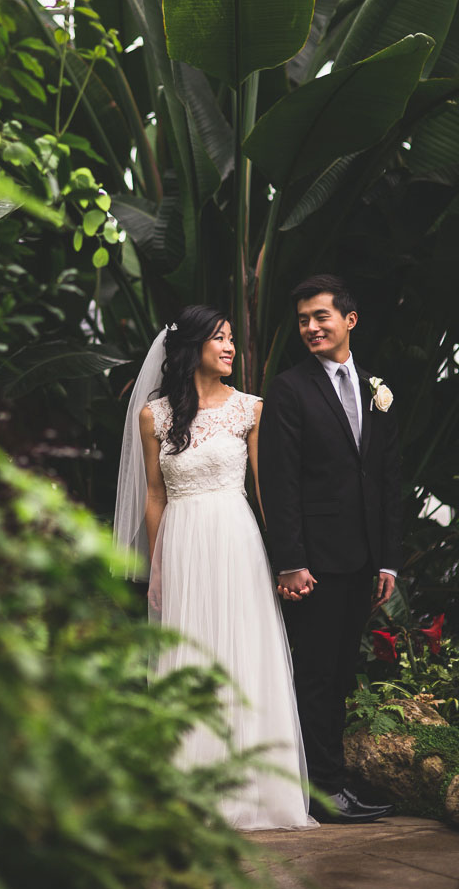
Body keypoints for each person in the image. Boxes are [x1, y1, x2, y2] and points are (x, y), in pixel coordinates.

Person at [114, 305, 313, 831]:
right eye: (220, 339)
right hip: (181, 540)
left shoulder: (251, 408)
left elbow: (266, 491)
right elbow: (154, 497)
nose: (229, 347)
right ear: (192, 347)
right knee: (190, 654)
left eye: (231, 338)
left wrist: (288, 558)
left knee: (244, 649)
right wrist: (157, 565)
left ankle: (257, 791)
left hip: (236, 537)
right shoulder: (154, 416)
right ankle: (193, 788)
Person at [258, 274, 403, 823]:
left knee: (341, 674)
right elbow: (280, 481)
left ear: (350, 320)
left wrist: (388, 557)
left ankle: (335, 781)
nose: (311, 327)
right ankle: (325, 792)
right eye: (303, 320)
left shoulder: (375, 387)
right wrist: (290, 561)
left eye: (321, 316)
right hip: (313, 564)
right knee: (317, 675)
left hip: (363, 559)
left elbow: (388, 476)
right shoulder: (291, 388)